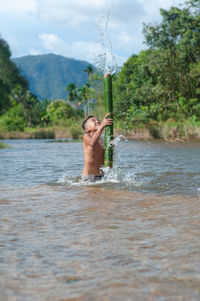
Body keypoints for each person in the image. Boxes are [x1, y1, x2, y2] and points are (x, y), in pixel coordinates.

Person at [81, 113, 113, 182]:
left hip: (102, 176)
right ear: (87, 129)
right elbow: (92, 143)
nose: (97, 121)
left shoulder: (102, 140)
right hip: (89, 177)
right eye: (93, 120)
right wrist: (101, 126)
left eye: (98, 120)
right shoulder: (86, 136)